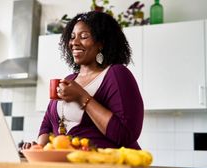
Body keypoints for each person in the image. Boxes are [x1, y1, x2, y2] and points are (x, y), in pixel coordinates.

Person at [23, 11, 144, 150]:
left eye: (84, 36)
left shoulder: (116, 74)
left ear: (101, 43)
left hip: (108, 166)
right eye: (72, 37)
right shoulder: (69, 80)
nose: (74, 42)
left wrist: (82, 96)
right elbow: (48, 125)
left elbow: (125, 134)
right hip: (71, 165)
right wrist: (38, 148)